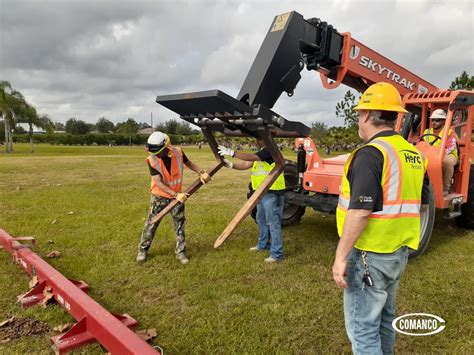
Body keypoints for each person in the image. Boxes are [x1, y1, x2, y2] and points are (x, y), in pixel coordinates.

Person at [332, 82, 430, 354]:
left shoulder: (370, 154)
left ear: (367, 115)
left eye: (359, 114)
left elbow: (361, 210)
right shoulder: (412, 153)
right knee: (386, 320)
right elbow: (419, 201)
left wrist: (341, 257)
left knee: (363, 329)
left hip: (369, 256)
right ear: (394, 116)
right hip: (398, 253)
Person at [136, 131, 210, 265]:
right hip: (160, 196)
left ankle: (180, 252)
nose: (156, 154)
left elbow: (189, 163)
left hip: (178, 197)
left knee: (179, 224)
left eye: (159, 151)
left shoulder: (178, 152)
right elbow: (158, 182)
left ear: (166, 147)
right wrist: (176, 195)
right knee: (151, 223)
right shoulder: (152, 160)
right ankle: (143, 250)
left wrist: (201, 172)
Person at [218, 139, 286, 263]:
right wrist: (232, 165)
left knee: (273, 223)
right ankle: (263, 244)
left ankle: (277, 254)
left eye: (258, 138)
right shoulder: (261, 153)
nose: (256, 140)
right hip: (260, 193)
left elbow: (251, 157)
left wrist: (232, 152)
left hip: (272, 192)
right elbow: (246, 164)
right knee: (261, 220)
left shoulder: (270, 151)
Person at [423, 108, 458, 195]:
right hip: (431, 154)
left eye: (437, 120)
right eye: (433, 120)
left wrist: (437, 155)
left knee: (446, 162)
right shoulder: (427, 131)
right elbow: (422, 144)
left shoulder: (449, 132)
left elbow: (451, 147)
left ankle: (445, 188)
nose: (434, 122)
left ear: (443, 121)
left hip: (449, 154)